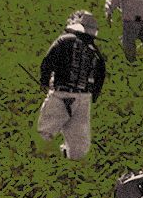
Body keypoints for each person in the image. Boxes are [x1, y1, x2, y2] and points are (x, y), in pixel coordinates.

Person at [37, 11, 107, 160]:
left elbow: (47, 62)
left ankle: (43, 161)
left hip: (61, 94)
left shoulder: (64, 41)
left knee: (45, 131)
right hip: (84, 98)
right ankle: (70, 163)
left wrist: (44, 81)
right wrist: (92, 97)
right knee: (79, 143)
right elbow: (100, 76)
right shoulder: (95, 52)